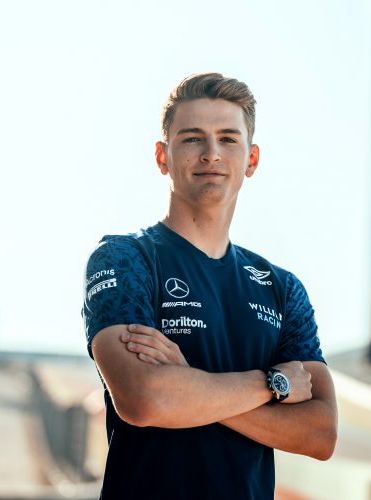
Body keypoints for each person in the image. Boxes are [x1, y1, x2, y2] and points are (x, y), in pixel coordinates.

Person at [81, 72, 337, 500]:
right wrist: (272, 384)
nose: (211, 153)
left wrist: (187, 384)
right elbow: (143, 399)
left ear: (251, 160)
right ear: (162, 156)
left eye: (228, 139)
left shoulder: (281, 289)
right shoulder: (125, 259)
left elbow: (321, 434)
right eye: (193, 138)